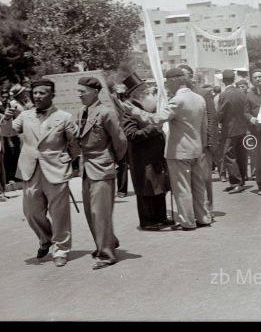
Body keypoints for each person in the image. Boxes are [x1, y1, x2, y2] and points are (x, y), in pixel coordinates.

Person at [0, 79, 80, 267]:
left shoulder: (64, 117)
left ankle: (61, 249)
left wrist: (66, 159)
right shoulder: (25, 115)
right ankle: (46, 239)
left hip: (56, 169)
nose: (37, 96)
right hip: (30, 170)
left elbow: (74, 144)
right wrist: (7, 117)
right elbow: (7, 132)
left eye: (41, 93)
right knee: (31, 212)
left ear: (52, 95)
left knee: (59, 213)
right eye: (34, 93)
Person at [122, 68, 211, 230]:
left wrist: (136, 111)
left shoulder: (177, 101)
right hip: (196, 150)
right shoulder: (199, 98)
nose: (166, 86)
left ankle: (187, 221)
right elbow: (204, 126)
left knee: (182, 189)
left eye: (167, 82)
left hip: (179, 153)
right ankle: (203, 217)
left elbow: (157, 119)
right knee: (199, 187)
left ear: (175, 80)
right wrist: (202, 145)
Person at [77, 77, 127, 269]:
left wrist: (113, 161)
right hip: (86, 168)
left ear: (95, 91)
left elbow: (120, 141)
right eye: (79, 91)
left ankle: (106, 254)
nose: (79, 94)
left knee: (101, 213)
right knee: (91, 212)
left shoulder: (106, 112)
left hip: (102, 167)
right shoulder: (82, 112)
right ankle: (106, 242)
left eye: (83, 91)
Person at [122, 73, 170, 231]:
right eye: (149, 93)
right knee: (146, 190)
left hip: (154, 156)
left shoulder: (147, 110)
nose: (152, 96)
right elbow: (131, 135)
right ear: (139, 96)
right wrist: (152, 129)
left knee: (158, 188)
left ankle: (161, 218)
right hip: (142, 158)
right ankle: (147, 222)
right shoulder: (129, 112)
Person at [178, 64, 218, 219]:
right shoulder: (175, 95)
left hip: (201, 144)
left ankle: (208, 208)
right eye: (179, 76)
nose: (182, 78)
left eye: (185, 75)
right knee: (188, 180)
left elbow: (211, 118)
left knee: (204, 178)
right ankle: (194, 210)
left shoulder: (203, 93)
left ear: (191, 76)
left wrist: (209, 142)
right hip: (184, 145)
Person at [218, 70, 248, 194]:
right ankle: (240, 180)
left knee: (229, 155)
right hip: (242, 128)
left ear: (223, 81)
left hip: (230, 130)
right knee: (241, 154)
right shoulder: (241, 92)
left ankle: (236, 182)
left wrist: (218, 121)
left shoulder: (224, 94)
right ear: (234, 79)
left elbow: (220, 113)